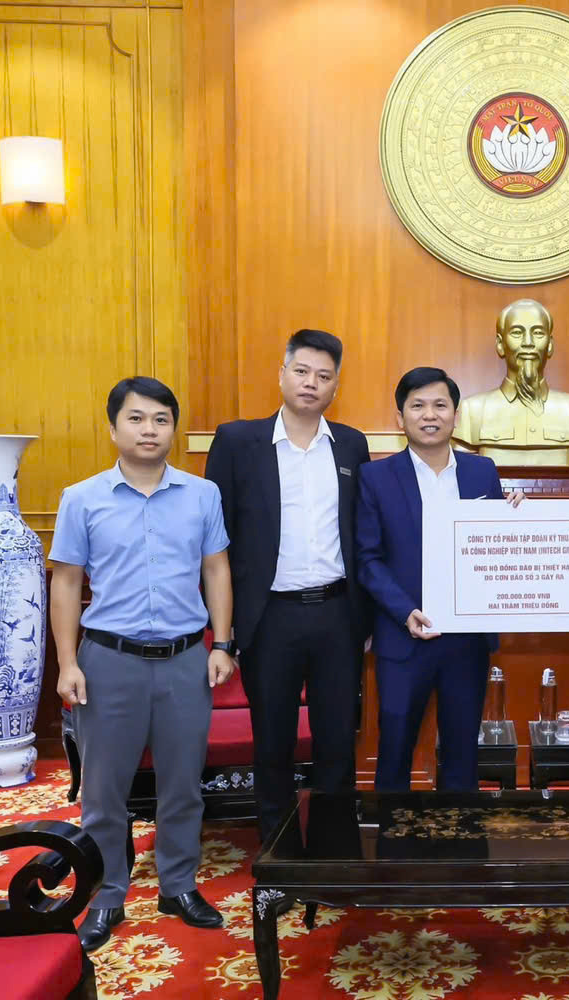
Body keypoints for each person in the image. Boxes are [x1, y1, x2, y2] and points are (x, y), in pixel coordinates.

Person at [50, 377, 235, 952]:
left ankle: (178, 886)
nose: (149, 429)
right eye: (135, 418)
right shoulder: (82, 498)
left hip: (184, 660)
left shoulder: (202, 495)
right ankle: (105, 895)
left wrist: (223, 644)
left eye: (160, 419)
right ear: (113, 428)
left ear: (173, 428)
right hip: (109, 661)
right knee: (104, 791)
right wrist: (66, 663)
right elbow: (66, 583)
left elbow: (216, 570)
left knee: (183, 786)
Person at [205, 329, 372, 843]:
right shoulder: (238, 442)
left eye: (323, 376)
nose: (310, 383)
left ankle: (334, 851)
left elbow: (365, 529)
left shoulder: (351, 444)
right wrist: (225, 631)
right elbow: (215, 540)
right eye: (301, 371)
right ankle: (281, 855)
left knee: (337, 743)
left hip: (337, 615)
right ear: (281, 375)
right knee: (273, 743)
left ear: (336, 386)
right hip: (269, 617)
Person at [356, 367, 522, 790]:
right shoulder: (375, 476)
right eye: (417, 406)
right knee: (395, 750)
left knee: (462, 755)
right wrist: (404, 611)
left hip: (467, 642)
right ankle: (392, 832)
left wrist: (517, 515)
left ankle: (461, 832)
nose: (429, 415)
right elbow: (368, 559)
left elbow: (496, 546)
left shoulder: (482, 472)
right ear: (400, 417)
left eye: (439, 405)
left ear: (455, 415)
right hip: (403, 637)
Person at [453, 298, 569, 464]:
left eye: (538, 333)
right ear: (500, 344)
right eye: (517, 333)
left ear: (550, 344)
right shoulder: (471, 411)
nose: (528, 343)